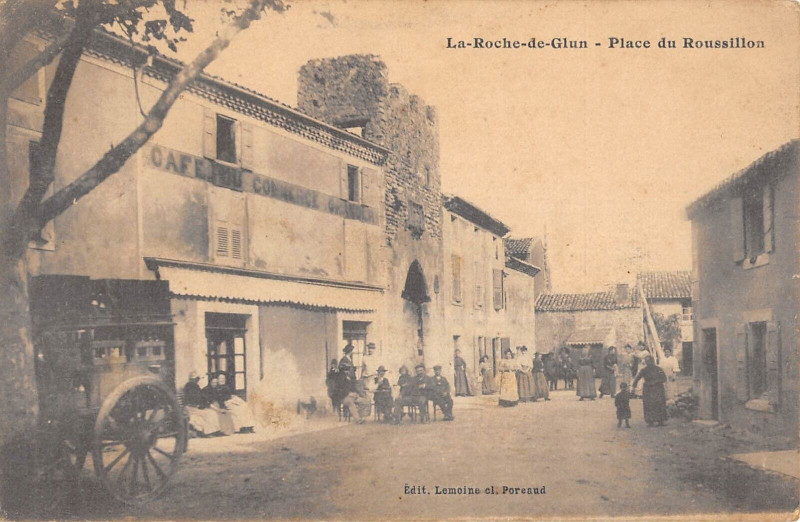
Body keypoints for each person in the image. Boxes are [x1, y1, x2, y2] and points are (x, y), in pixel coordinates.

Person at [632, 355, 669, 427]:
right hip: (648, 389)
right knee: (648, 405)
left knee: (659, 403)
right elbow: (637, 378)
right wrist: (633, 387)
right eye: (647, 361)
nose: (648, 363)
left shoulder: (659, 369)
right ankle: (650, 421)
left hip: (658, 389)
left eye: (649, 361)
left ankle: (660, 421)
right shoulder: (644, 370)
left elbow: (664, 378)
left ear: (653, 361)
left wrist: (656, 381)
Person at [183, 372, 223, 437]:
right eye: (197, 379)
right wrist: (206, 404)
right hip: (191, 409)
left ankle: (212, 431)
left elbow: (199, 398)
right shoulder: (193, 386)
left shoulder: (190, 385)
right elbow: (197, 399)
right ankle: (209, 432)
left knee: (209, 412)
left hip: (190, 407)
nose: (198, 380)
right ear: (196, 379)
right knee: (210, 413)